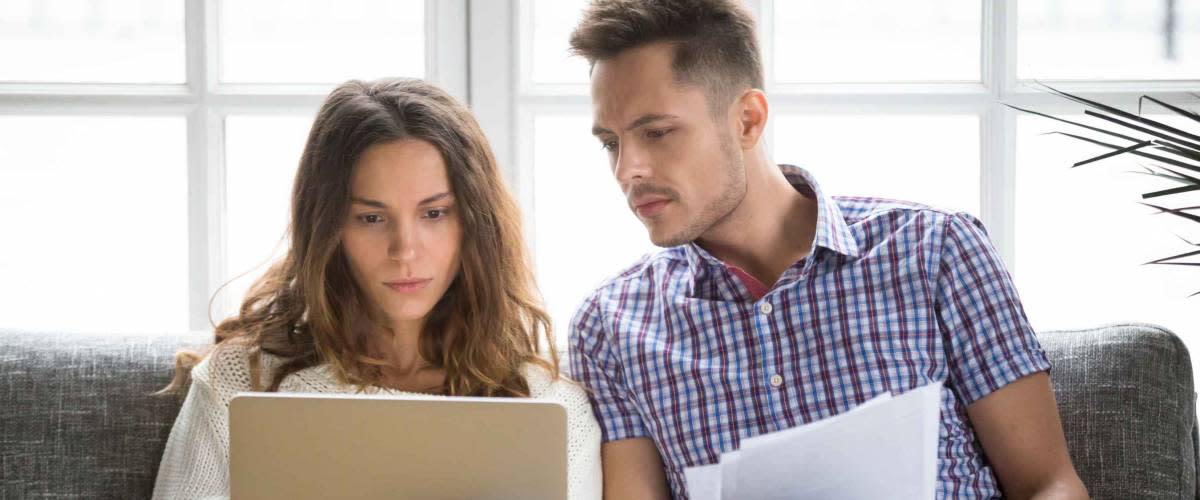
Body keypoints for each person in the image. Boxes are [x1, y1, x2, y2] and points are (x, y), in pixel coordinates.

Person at [565, 1, 1088, 498]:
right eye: (610, 143)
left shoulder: (937, 251)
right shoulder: (610, 325)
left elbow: (1049, 486)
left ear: (747, 119)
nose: (626, 168)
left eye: (655, 133)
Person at [151, 78, 602, 500]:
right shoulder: (243, 379)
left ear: (475, 223)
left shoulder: (549, 403)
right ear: (328, 228)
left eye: (434, 213)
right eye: (371, 218)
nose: (404, 250)